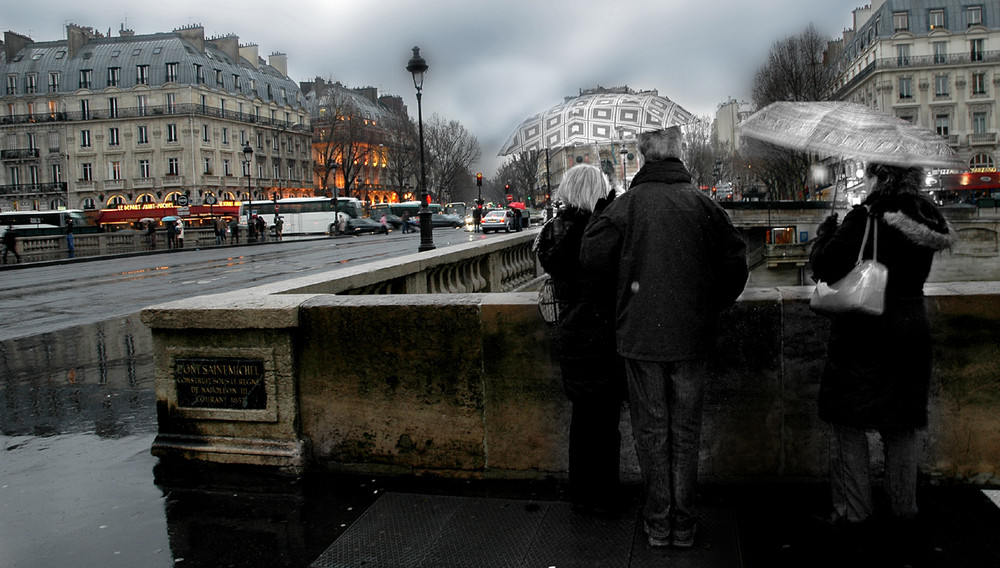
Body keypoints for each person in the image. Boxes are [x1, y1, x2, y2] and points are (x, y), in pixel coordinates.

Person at [579, 127, 748, 549]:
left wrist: (622, 301)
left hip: (640, 337)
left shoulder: (624, 208)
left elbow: (590, 259)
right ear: (679, 155)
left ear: (642, 157)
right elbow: (735, 264)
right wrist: (709, 306)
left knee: (651, 432)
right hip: (692, 336)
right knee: (686, 432)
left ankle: (658, 524)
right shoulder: (703, 206)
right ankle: (685, 524)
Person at [810, 162, 954, 529]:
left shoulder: (867, 218)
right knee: (901, 424)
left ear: (878, 178)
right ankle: (904, 508)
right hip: (910, 329)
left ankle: (853, 510)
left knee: (848, 421)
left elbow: (825, 265)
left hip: (865, 333)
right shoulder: (928, 217)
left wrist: (826, 233)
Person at [533, 164, 626, 516]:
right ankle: (604, 494)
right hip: (604, 336)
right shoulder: (600, 232)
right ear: (597, 191)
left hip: (571, 337)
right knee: (606, 425)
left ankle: (582, 494)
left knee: (583, 422)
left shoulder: (554, 233)